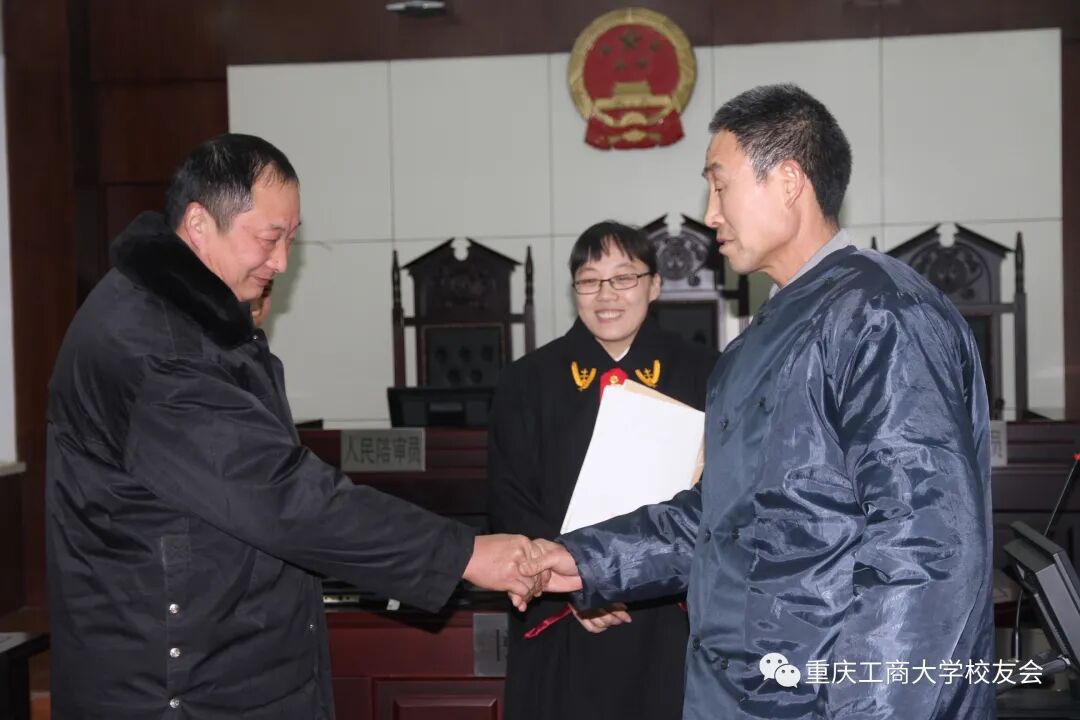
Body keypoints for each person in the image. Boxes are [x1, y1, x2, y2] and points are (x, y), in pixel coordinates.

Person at [522, 84, 994, 719]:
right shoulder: (761, 339)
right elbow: (723, 516)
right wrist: (585, 559)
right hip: (747, 693)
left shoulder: (880, 314)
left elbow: (925, 549)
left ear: (789, 181)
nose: (710, 214)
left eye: (721, 187)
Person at [45, 133, 543, 719]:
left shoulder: (187, 314)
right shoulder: (154, 349)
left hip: (221, 664)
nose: (282, 262)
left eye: (291, 239)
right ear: (200, 225)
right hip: (177, 688)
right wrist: (463, 554)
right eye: (269, 238)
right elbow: (282, 496)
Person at [488, 220, 718, 720]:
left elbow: (721, 492)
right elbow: (509, 497)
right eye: (589, 281)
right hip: (561, 610)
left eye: (624, 278)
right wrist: (576, 583)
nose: (606, 295)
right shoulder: (526, 380)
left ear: (654, 285)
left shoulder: (706, 372)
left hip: (666, 612)